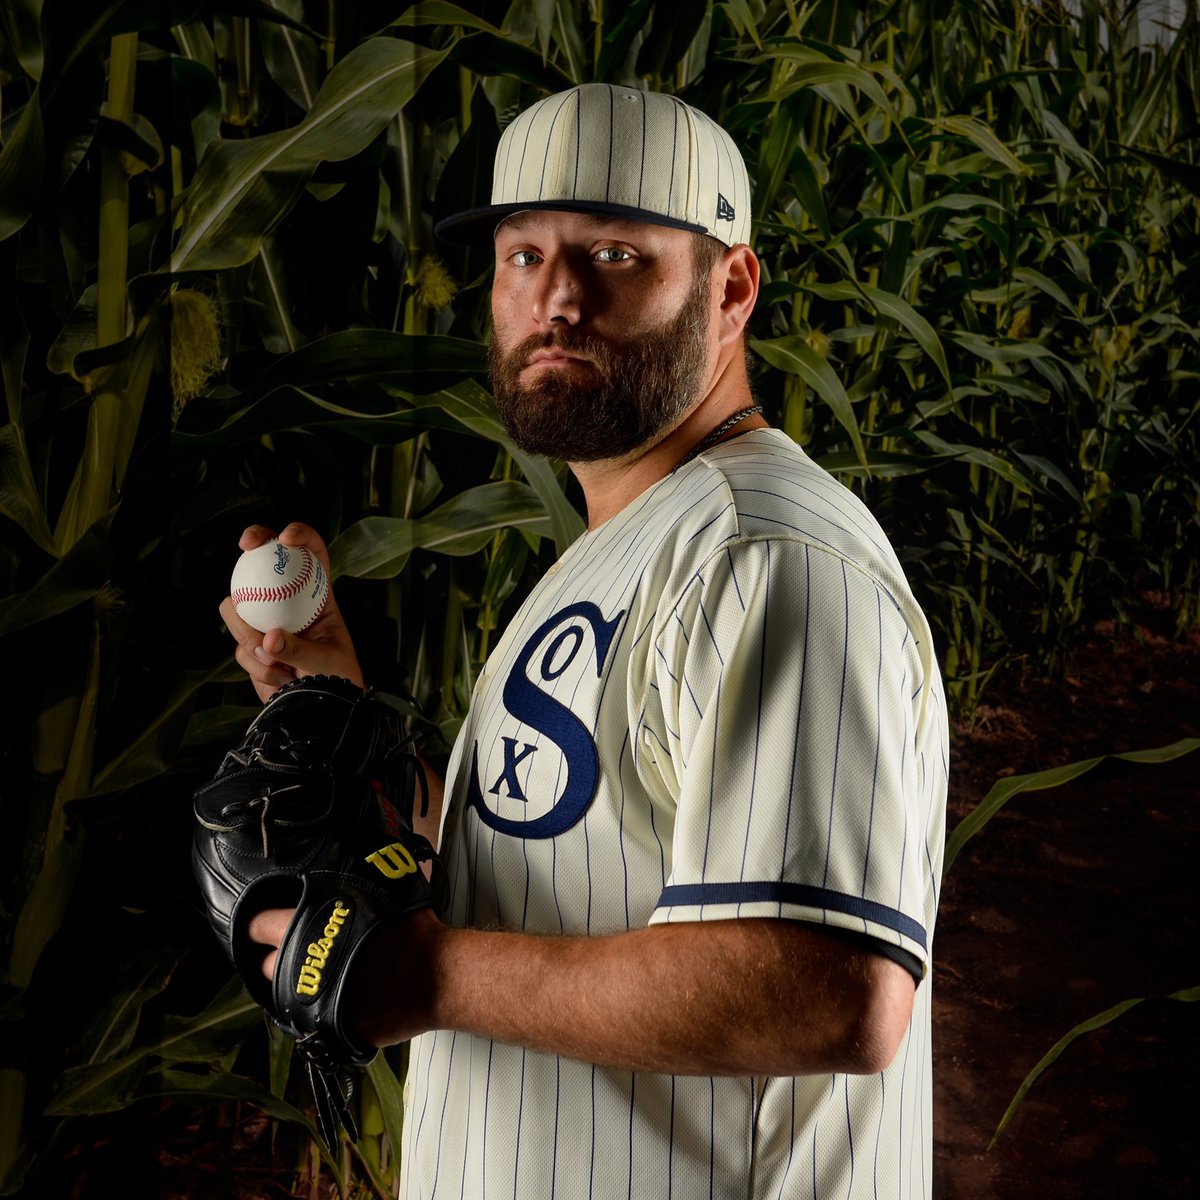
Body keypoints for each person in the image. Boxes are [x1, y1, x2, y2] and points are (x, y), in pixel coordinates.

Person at [221, 83, 948, 1200]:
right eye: (522, 255)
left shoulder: (766, 556)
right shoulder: (635, 545)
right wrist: (329, 691)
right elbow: (538, 872)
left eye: (614, 252)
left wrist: (430, 976)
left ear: (731, 287)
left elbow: (831, 989)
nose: (555, 297)